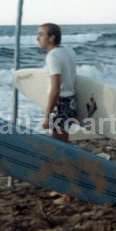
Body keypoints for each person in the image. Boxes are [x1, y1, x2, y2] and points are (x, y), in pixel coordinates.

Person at [36, 22, 78, 204]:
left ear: (52, 37)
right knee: (62, 147)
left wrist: (47, 115)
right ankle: (61, 188)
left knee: (60, 151)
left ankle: (67, 195)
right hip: (70, 103)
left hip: (61, 105)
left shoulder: (52, 56)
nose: (37, 38)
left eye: (41, 34)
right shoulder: (67, 51)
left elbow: (55, 89)